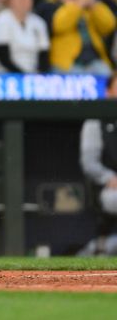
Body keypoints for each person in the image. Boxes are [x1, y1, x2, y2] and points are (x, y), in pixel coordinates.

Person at [36, 0, 116, 74]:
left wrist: (93, 4)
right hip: (66, 64)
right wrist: (78, 3)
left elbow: (108, 25)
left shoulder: (88, 5)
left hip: (95, 61)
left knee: (106, 74)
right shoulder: (49, 3)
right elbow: (58, 25)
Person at [79, 72, 117, 253]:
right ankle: (99, 247)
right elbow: (89, 163)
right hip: (110, 187)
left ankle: (105, 246)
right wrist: (109, 177)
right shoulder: (96, 119)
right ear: (109, 92)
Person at [0, 0, 50, 74]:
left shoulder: (39, 23)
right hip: (6, 75)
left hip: (34, 75)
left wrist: (39, 76)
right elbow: (3, 58)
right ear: (10, 0)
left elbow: (44, 55)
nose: (24, 1)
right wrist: (22, 76)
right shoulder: (1, 21)